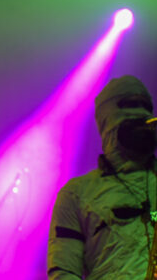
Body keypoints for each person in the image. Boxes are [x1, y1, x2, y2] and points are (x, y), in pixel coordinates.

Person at [47, 75, 156, 279]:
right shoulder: (76, 194)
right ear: (108, 118)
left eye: (147, 107)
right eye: (131, 105)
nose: (143, 114)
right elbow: (64, 271)